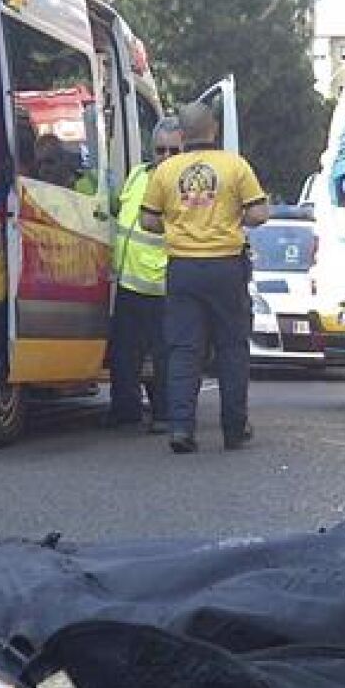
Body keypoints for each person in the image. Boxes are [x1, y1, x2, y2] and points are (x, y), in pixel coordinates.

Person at [141, 101, 270, 453]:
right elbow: (259, 213)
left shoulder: (166, 172)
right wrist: (229, 219)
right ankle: (233, 428)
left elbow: (148, 221)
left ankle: (180, 428)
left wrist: (181, 222)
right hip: (226, 267)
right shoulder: (235, 166)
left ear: (182, 135)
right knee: (232, 348)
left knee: (184, 349)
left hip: (183, 269)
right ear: (214, 130)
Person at [106, 117, 184, 431]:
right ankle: (125, 412)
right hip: (129, 283)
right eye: (160, 149)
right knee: (124, 355)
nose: (165, 156)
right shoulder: (137, 174)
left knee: (166, 357)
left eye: (172, 150)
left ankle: (164, 414)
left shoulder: (185, 186)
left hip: (165, 285)